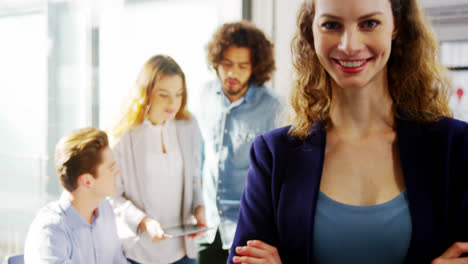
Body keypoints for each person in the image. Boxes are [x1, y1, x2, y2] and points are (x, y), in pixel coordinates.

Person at [229, 0, 468, 263]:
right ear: (312, 31)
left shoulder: (455, 147)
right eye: (331, 25)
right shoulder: (274, 154)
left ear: (396, 26)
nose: (350, 45)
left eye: (369, 23)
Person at [195, 21, 281, 263]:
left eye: (243, 66)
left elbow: (280, 173)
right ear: (216, 62)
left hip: (250, 230)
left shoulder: (274, 108)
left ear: (255, 67)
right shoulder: (204, 96)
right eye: (227, 64)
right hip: (209, 227)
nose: (233, 73)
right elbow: (200, 157)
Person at [109, 55, 205, 264]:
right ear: (146, 94)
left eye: (179, 94)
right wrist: (144, 222)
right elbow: (114, 197)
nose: (173, 103)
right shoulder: (124, 136)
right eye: (164, 95)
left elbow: (194, 176)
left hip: (182, 250)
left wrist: (199, 208)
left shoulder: (188, 125)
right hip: (139, 252)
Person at [24, 127, 127, 263]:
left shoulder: (105, 209)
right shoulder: (50, 231)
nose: (118, 171)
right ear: (87, 181)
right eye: (111, 167)